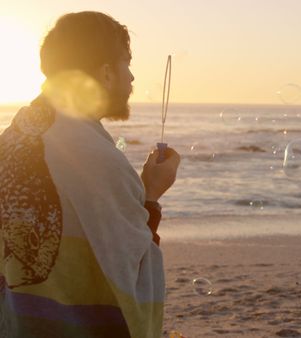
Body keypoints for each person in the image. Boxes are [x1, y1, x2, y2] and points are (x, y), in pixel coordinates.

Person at [0, 11, 180, 337]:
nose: (132, 78)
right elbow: (130, 282)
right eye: (127, 62)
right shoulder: (99, 161)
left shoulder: (13, 139)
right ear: (107, 73)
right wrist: (150, 196)